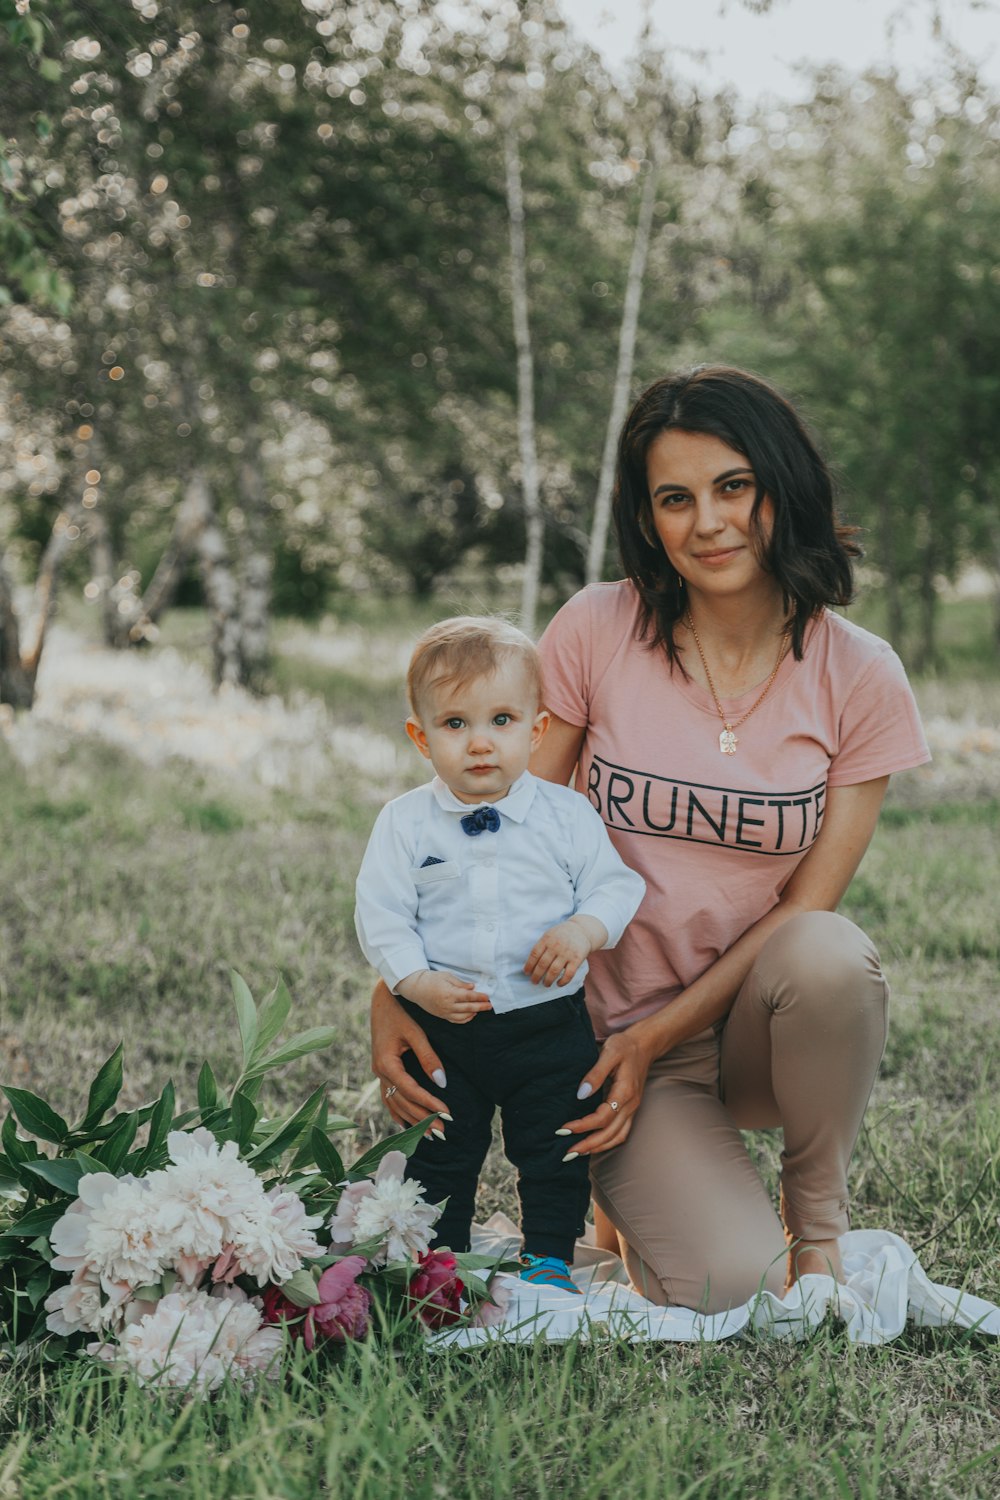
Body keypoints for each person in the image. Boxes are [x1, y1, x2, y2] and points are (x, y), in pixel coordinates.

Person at [370, 366, 931, 1314]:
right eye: (676, 498)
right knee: (726, 1286)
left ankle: (820, 1234)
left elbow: (808, 904)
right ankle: (628, 1209)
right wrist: (393, 986)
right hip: (595, 1042)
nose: (707, 522)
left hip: (756, 1026)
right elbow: (489, 833)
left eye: (733, 486)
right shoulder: (598, 628)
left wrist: (662, 1034)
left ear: (781, 488)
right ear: (649, 516)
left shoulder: (860, 673)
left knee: (831, 953)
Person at [355, 616, 645, 1293]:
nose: (480, 742)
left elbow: (614, 885)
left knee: (554, 1143)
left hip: (546, 1024)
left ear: (537, 731)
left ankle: (547, 1253)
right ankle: (441, 1257)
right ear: (421, 738)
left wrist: (581, 932)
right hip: (446, 1026)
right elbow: (382, 915)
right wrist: (414, 982)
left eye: (503, 720)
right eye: (455, 725)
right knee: (441, 1143)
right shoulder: (404, 823)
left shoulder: (566, 816)